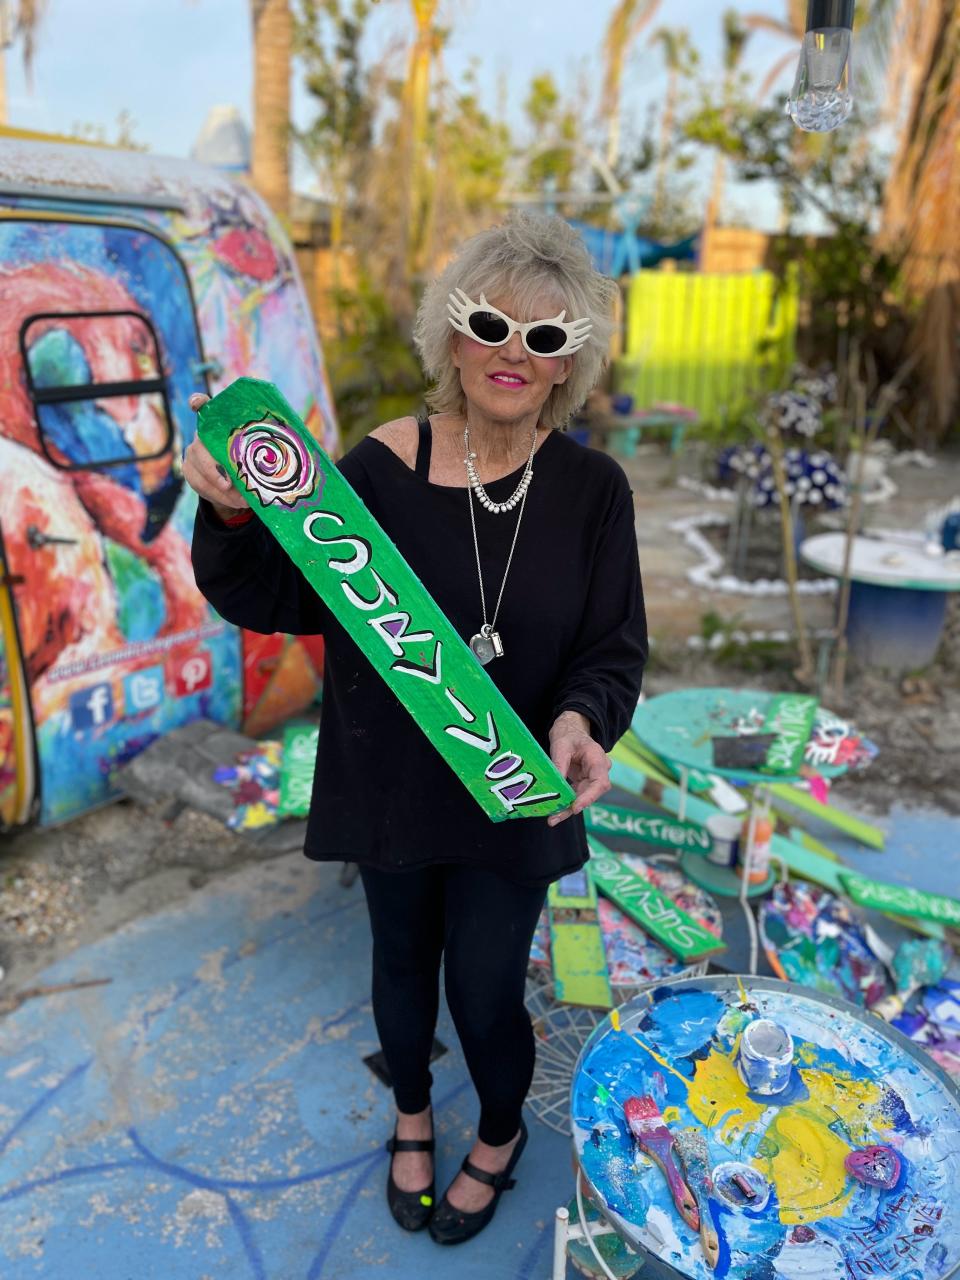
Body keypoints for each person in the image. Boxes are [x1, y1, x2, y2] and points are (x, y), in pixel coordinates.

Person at [184, 212, 647, 1246]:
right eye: (490, 322)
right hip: (390, 780)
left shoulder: (591, 493)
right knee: (400, 962)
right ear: (450, 329)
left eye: (546, 335)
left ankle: (494, 1131)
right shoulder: (383, 468)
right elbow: (276, 589)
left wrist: (583, 719)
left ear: (572, 358)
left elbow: (613, 646)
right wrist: (226, 512)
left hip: (513, 786)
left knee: (486, 987)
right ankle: (409, 1116)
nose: (513, 353)